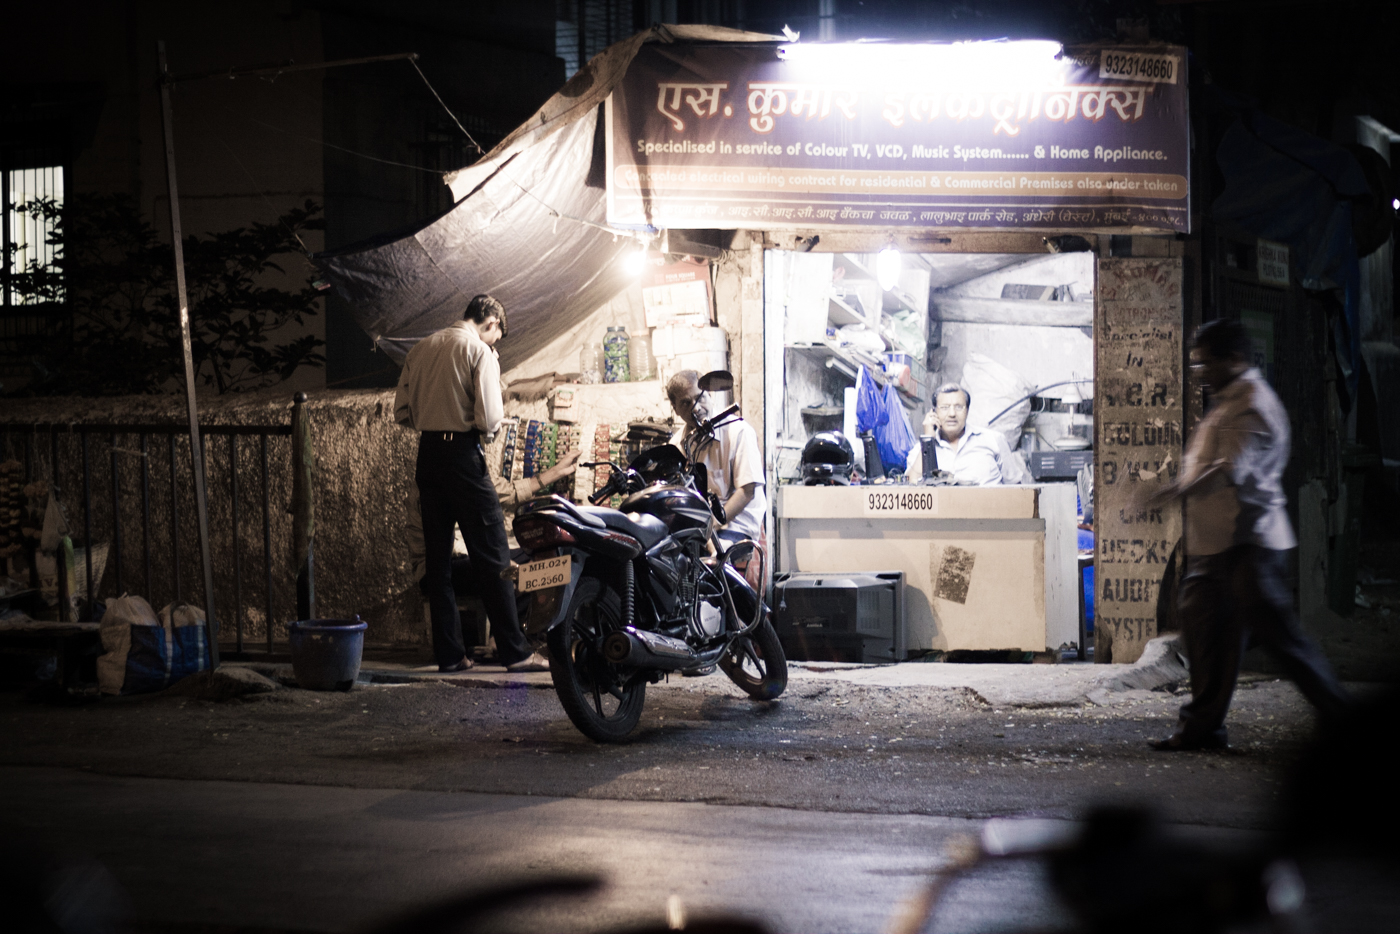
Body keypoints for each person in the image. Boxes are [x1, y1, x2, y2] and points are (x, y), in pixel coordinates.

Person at [1146, 318, 1349, 751]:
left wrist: (1170, 491)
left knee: (1281, 640)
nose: (1200, 374)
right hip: (1219, 546)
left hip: (1248, 546)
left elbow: (1229, 470)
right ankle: (1201, 728)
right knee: (1206, 633)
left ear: (1234, 359)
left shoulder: (1251, 403)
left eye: (1206, 364)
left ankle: (1342, 718)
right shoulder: (1230, 400)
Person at [393, 294, 549, 674]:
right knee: (494, 551)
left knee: (437, 560)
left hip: (428, 454)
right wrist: (478, 428)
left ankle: (451, 656)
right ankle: (515, 652)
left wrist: (435, 421)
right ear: (491, 321)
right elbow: (490, 417)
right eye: (497, 336)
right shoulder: (478, 351)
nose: (496, 344)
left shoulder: (421, 348)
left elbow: (402, 410)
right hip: (462, 454)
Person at [666, 369, 766, 549]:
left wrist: (710, 527)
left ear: (710, 394)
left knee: (706, 558)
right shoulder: (677, 446)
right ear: (676, 409)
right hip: (701, 529)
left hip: (736, 525)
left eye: (700, 398)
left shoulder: (739, 431)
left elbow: (747, 491)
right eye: (686, 403)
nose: (695, 408)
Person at [904, 383, 1024, 485]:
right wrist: (928, 440)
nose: (952, 414)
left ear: (967, 410)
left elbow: (1016, 487)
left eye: (959, 407)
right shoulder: (921, 450)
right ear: (934, 412)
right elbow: (911, 487)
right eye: (945, 407)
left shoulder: (994, 440)